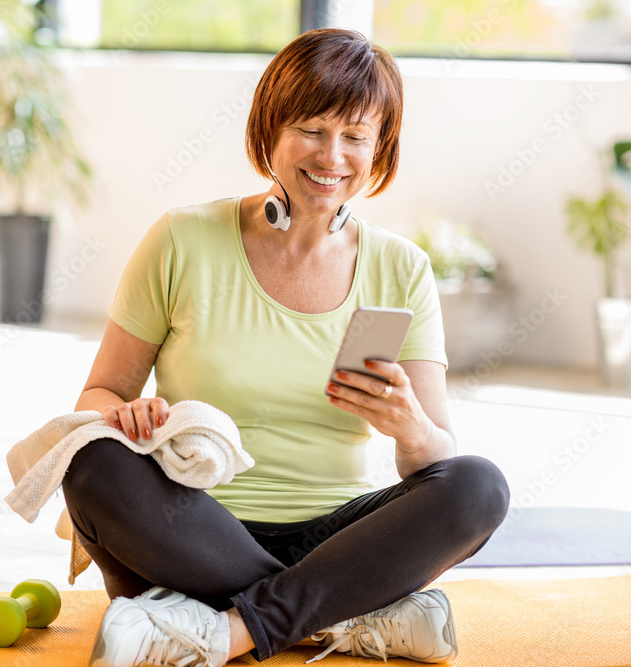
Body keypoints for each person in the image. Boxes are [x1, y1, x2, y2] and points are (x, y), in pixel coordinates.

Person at [62, 28, 510, 667]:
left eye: (356, 137)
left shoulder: (397, 269)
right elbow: (99, 393)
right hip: (192, 527)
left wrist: (412, 430)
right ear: (269, 128)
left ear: (379, 147)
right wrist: (124, 415)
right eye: (311, 129)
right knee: (90, 461)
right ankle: (345, 617)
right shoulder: (182, 241)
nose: (333, 156)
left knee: (478, 485)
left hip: (340, 541)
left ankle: (222, 628)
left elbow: (433, 462)